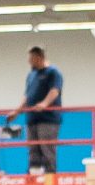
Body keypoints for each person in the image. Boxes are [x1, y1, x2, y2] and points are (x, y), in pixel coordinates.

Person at [15, 44, 66, 172]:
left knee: (47, 149)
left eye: (31, 58)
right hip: (32, 119)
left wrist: (44, 104)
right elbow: (27, 96)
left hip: (48, 119)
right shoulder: (31, 74)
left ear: (39, 57)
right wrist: (16, 112)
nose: (29, 61)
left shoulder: (53, 72)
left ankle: (50, 181)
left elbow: (55, 91)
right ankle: (34, 179)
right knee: (33, 150)